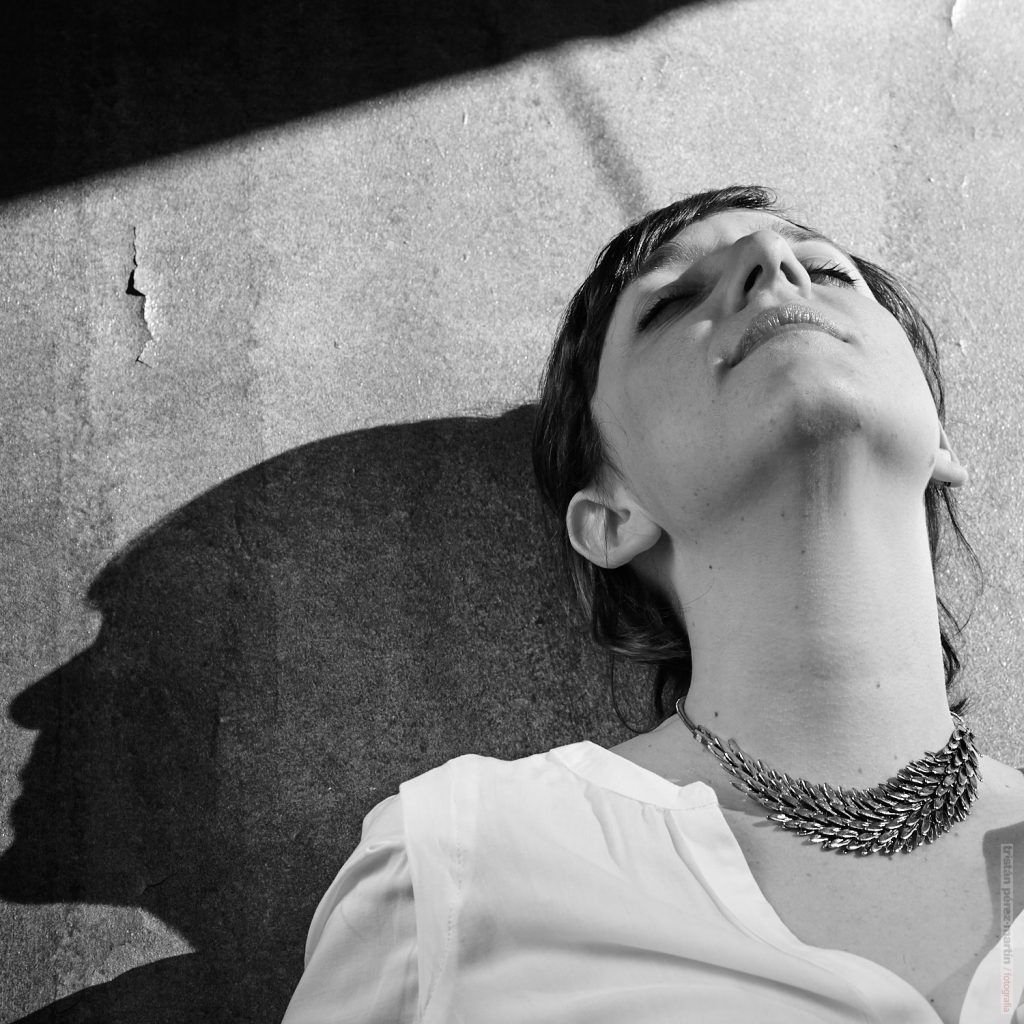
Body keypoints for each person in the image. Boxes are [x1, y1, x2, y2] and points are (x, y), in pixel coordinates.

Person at [280, 185, 1024, 1023]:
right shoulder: (462, 871)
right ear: (611, 516)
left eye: (826, 271)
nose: (771, 262)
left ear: (940, 440)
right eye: (672, 301)